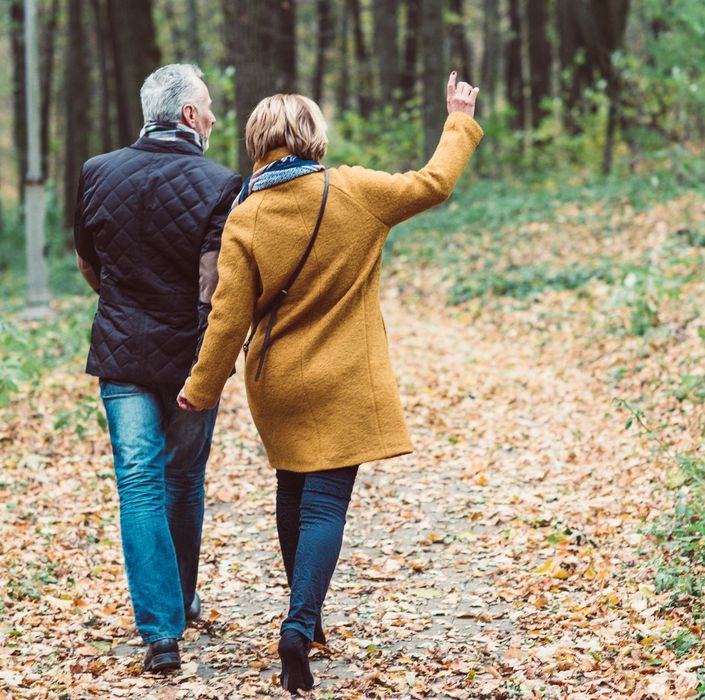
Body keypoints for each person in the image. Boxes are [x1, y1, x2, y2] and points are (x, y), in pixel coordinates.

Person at [176, 71, 482, 692]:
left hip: (277, 384)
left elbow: (229, 316)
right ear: (312, 134)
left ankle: (304, 621)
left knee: (293, 489)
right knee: (325, 504)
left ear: (259, 140)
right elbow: (434, 183)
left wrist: (201, 388)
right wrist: (457, 119)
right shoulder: (354, 191)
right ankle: (301, 623)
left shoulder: (247, 215)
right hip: (343, 379)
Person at [73, 64, 242, 674]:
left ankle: (160, 632)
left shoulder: (97, 171)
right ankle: (183, 599)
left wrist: (122, 300)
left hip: (121, 350)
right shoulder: (223, 182)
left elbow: (88, 262)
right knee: (182, 476)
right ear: (190, 117)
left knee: (137, 481)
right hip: (191, 356)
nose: (217, 118)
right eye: (210, 107)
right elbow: (213, 283)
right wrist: (211, 362)